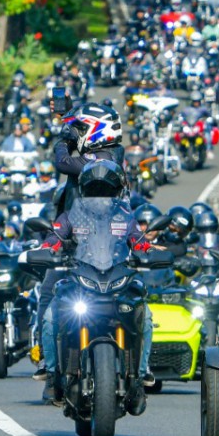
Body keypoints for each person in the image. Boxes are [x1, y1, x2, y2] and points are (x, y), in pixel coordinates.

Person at [32, 161, 154, 401]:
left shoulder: (126, 216)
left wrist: (148, 251)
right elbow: (53, 238)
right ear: (85, 191)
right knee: (49, 318)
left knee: (146, 315)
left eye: (106, 191)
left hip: (117, 281)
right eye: (96, 191)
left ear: (116, 192)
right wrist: (48, 249)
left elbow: (139, 241)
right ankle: (53, 370)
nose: (101, 198)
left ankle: (141, 373)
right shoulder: (71, 216)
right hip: (80, 283)